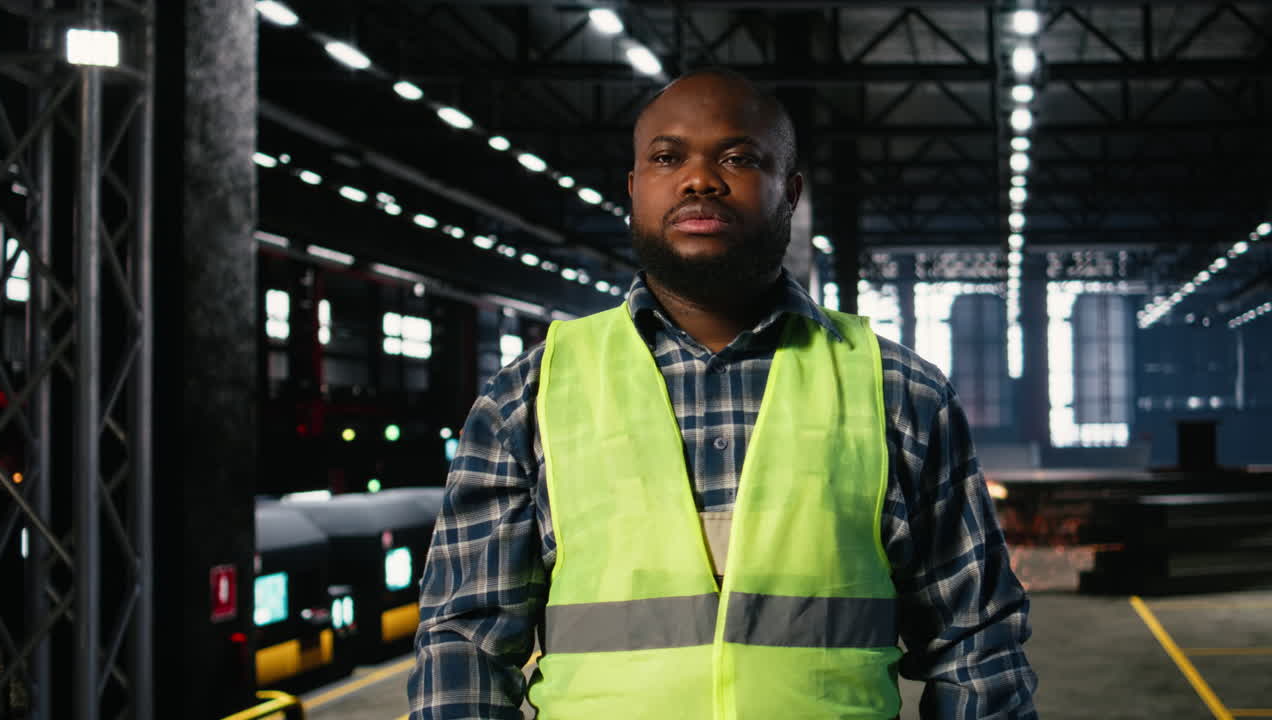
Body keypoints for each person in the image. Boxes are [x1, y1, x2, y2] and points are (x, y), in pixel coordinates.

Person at [409, 67, 1037, 719]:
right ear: (634, 187)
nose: (701, 179)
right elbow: (466, 647)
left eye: (738, 158)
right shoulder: (528, 396)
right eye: (667, 156)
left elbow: (976, 648)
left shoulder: (898, 392)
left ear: (789, 193)